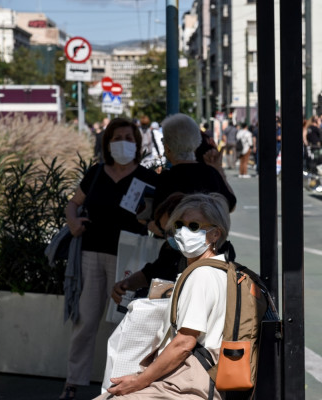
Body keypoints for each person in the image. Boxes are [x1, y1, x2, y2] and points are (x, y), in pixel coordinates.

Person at [96, 192, 231, 399]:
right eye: (178, 225)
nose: (184, 232)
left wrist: (138, 381)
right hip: (196, 378)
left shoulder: (201, 275)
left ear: (215, 234)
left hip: (188, 382)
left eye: (194, 226)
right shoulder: (222, 270)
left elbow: (184, 343)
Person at [60, 118, 159, 400]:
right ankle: (73, 382)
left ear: (138, 143)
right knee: (85, 321)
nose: (123, 142)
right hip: (91, 253)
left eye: (129, 137)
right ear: (107, 142)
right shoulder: (96, 173)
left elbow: (159, 219)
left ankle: (116, 387)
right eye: (117, 137)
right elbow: (73, 203)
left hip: (129, 260)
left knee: (123, 324)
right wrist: (72, 222)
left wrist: (149, 222)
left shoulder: (148, 178)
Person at [150, 114, 236, 231]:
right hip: (210, 244)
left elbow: (159, 221)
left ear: (167, 148)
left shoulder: (166, 178)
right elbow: (230, 204)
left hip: (176, 246)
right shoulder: (211, 173)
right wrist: (218, 169)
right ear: (196, 144)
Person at [111, 192, 186, 304]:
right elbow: (151, 272)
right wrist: (126, 284)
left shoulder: (202, 256)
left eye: (172, 231)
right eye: (164, 232)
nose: (169, 238)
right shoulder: (169, 249)